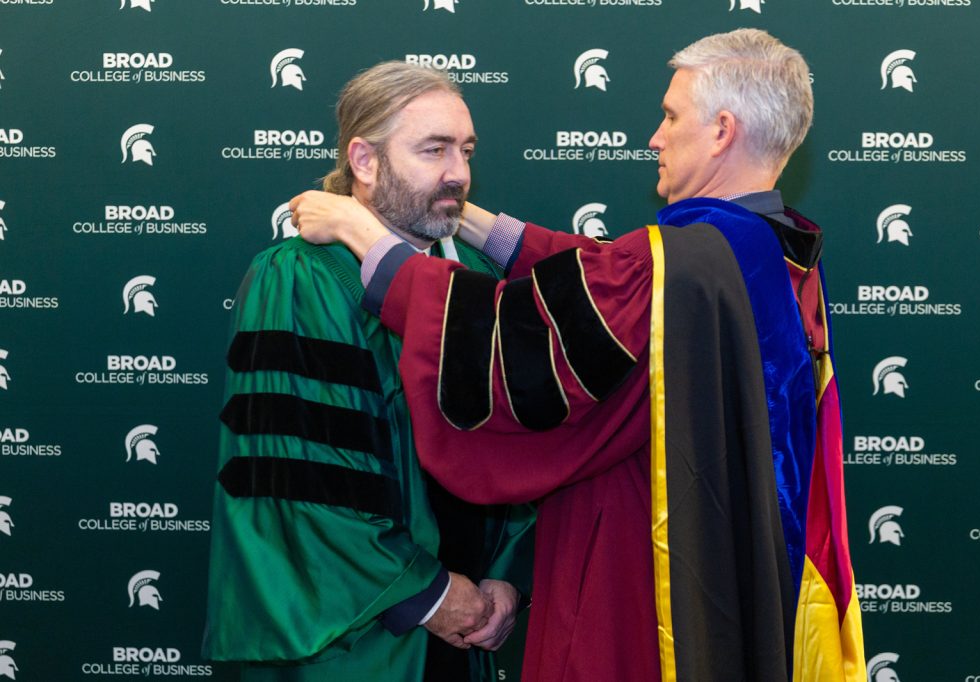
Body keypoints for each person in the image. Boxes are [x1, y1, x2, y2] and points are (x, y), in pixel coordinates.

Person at [292, 28, 866, 682]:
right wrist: (465, 217)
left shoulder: (685, 265)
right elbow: (597, 282)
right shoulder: (775, 253)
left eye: (671, 115)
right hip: (741, 581)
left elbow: (522, 343)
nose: (655, 135)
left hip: (641, 596)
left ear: (721, 131)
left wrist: (361, 232)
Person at [203, 61, 533, 682]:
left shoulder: (480, 284)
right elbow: (300, 481)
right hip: (362, 642)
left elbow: (525, 452)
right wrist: (430, 595)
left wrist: (507, 579)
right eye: (432, 150)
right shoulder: (302, 279)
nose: (458, 173)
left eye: (465, 150)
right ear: (364, 159)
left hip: (472, 636)